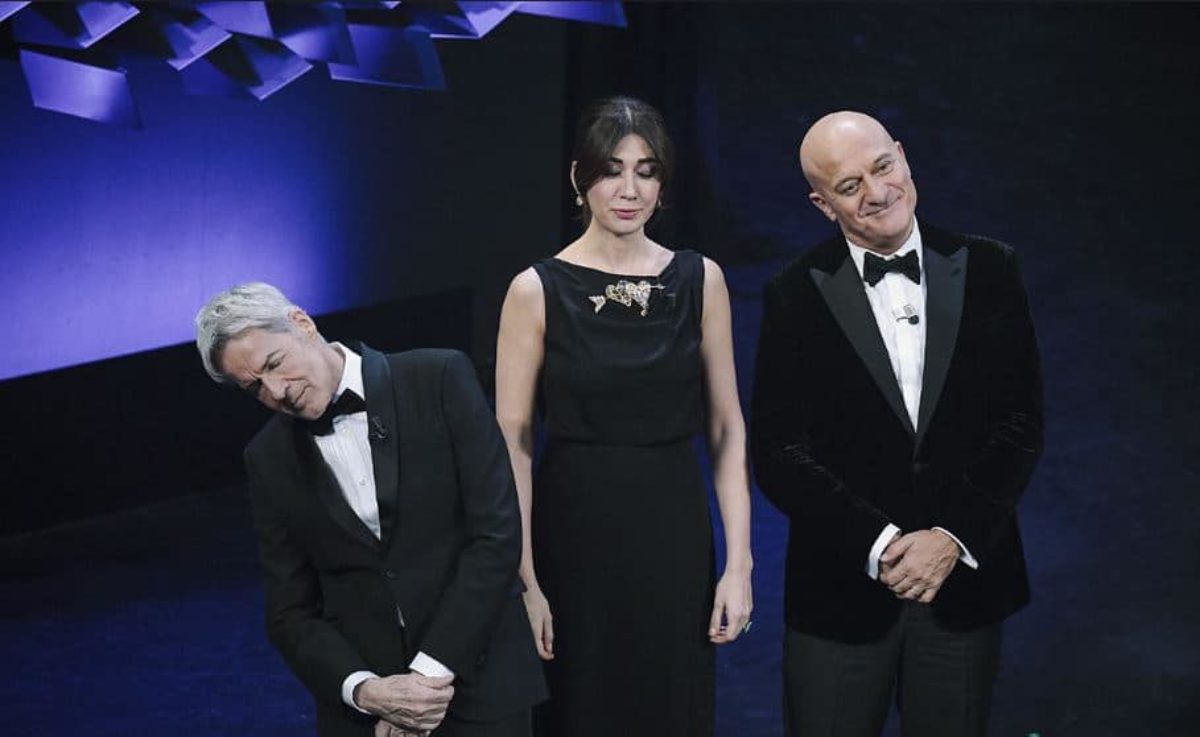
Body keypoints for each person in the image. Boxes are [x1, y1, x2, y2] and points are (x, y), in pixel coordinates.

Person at [750, 110, 1044, 736]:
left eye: (882, 167)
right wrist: (881, 545)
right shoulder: (792, 295)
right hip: (840, 594)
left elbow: (1020, 423)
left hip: (963, 589)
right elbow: (777, 451)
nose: (877, 192)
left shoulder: (991, 268)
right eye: (849, 185)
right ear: (823, 204)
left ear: (903, 157)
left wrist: (951, 537)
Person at [494, 96, 754, 736]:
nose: (629, 189)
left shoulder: (700, 280)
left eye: (646, 170)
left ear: (664, 183)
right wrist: (525, 578)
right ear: (579, 178)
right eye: (612, 170)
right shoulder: (535, 290)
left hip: (673, 533)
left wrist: (739, 565)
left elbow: (727, 428)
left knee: (670, 706)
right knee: (580, 708)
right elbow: (513, 443)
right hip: (572, 534)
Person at [194, 283, 546, 737]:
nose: (277, 391)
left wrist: (424, 680)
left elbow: (496, 537)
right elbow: (290, 613)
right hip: (370, 713)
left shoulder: (438, 377)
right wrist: (365, 691)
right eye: (254, 387)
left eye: (275, 363)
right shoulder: (267, 457)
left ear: (303, 324)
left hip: (482, 685)